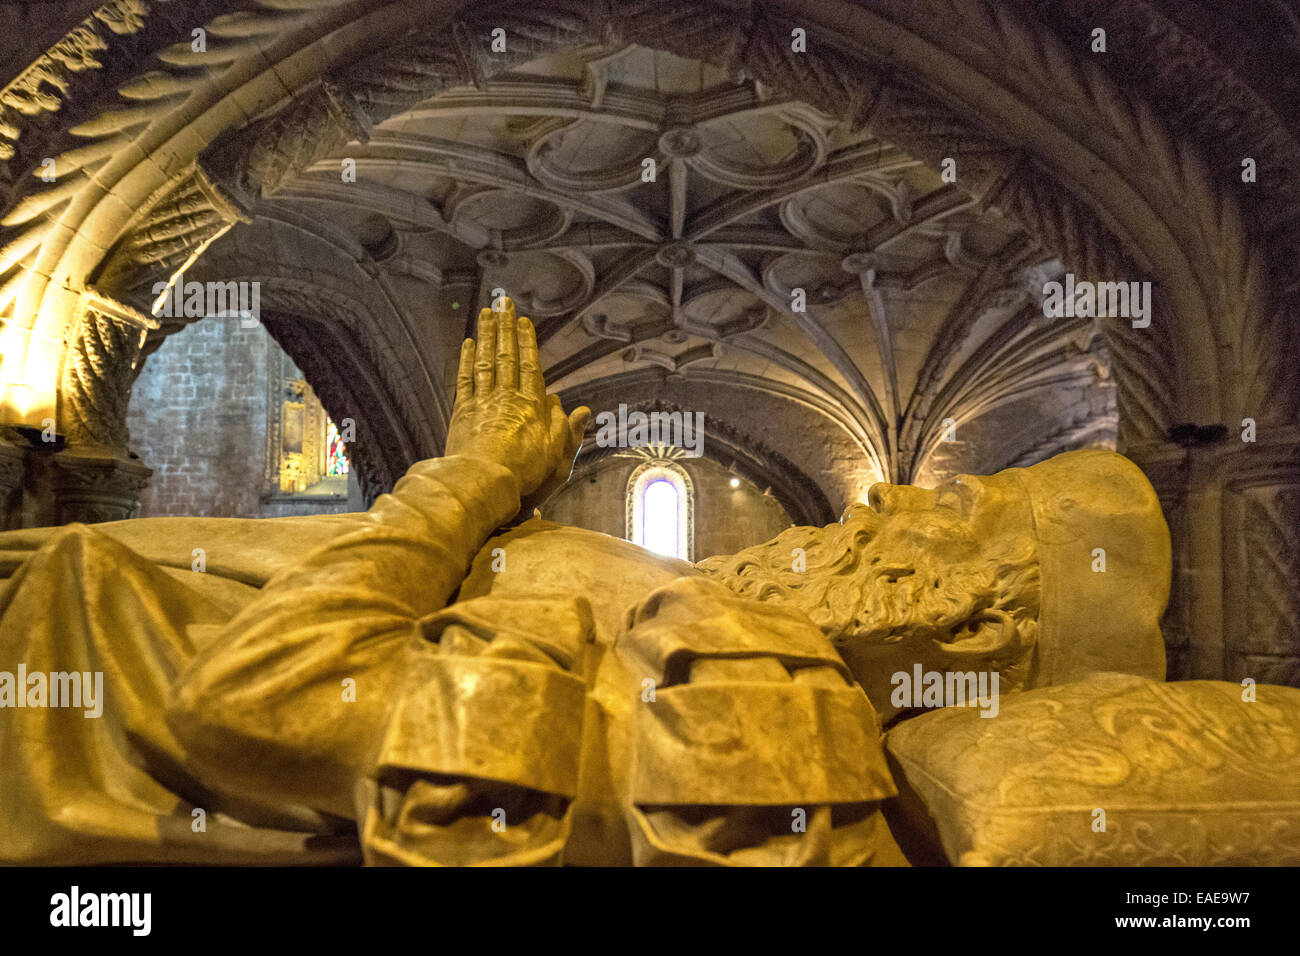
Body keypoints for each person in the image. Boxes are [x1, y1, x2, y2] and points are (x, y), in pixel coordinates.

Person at [0, 298, 1170, 865]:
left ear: (971, 618)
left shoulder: (759, 703)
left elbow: (267, 693)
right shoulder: (716, 614)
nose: (887, 497)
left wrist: (467, 474)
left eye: (956, 510)